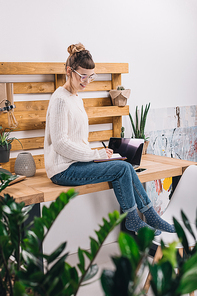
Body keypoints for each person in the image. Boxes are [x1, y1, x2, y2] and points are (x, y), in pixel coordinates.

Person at [44, 43, 175, 236]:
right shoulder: (60, 100)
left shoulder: (75, 98)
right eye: (82, 76)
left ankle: (150, 216)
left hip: (76, 163)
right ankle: (134, 220)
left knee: (126, 166)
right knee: (122, 169)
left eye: (91, 76)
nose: (86, 81)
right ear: (68, 71)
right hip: (63, 170)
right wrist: (94, 154)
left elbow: (75, 140)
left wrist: (98, 155)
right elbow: (61, 143)